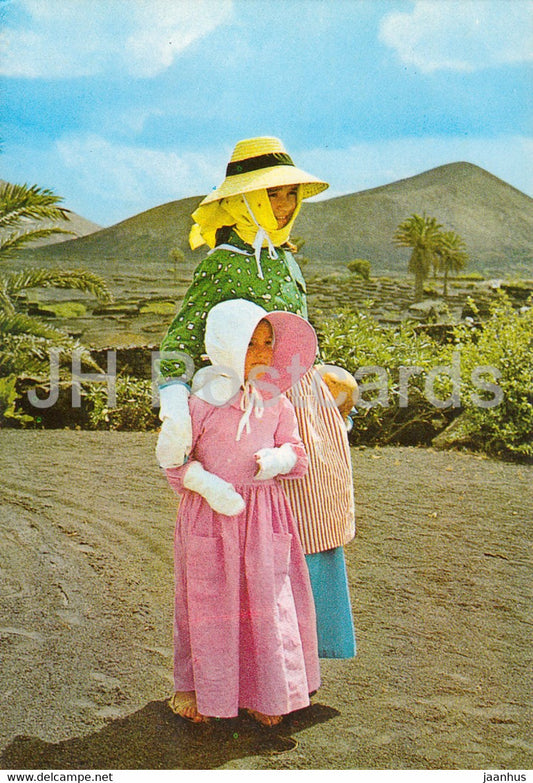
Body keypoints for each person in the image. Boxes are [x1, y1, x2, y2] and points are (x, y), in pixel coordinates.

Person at [157, 136, 356, 659]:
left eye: (291, 194)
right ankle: (255, 660)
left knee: (313, 520)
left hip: (298, 406)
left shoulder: (288, 261)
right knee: (258, 534)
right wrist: (175, 405)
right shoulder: (222, 265)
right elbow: (179, 341)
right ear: (244, 200)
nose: (285, 205)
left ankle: (300, 657)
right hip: (246, 412)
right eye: (273, 194)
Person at [165, 298, 320, 725]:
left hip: (264, 516)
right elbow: (174, 464)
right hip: (210, 519)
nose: (262, 352)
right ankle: (195, 690)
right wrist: (209, 486)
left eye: (268, 343)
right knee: (207, 604)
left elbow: (299, 455)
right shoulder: (201, 403)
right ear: (226, 344)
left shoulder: (277, 402)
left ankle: (264, 692)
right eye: (251, 343)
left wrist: (278, 460)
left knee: (266, 603)